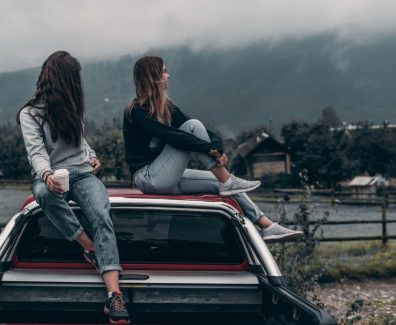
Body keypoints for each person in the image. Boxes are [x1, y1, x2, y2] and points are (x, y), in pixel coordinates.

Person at [123, 56, 302, 242]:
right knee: (193, 126)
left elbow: (201, 131)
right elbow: (173, 136)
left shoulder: (166, 107)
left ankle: (267, 226)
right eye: (165, 71)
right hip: (148, 178)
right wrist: (209, 149)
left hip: (167, 176)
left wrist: (217, 147)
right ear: (154, 77)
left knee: (223, 184)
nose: (169, 75)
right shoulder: (135, 111)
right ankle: (227, 179)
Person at [17, 51, 130, 324]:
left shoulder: (73, 105)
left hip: (83, 175)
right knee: (42, 194)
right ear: (62, 79)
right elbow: (36, 152)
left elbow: (80, 141)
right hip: (52, 177)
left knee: (102, 215)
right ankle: (89, 247)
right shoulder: (30, 113)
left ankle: (114, 295)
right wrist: (46, 175)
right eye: (73, 78)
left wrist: (91, 155)